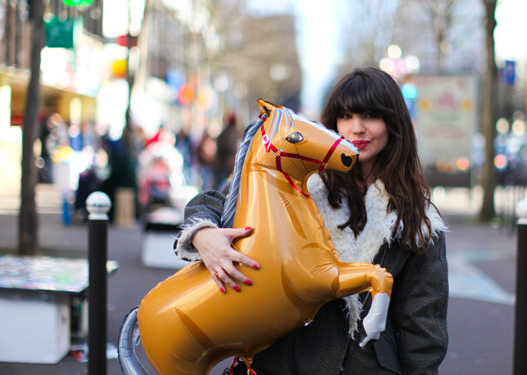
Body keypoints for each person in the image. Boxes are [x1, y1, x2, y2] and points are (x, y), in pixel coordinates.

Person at [174, 66, 449, 374]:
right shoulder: (300, 182)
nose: (356, 128)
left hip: (365, 365)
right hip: (283, 360)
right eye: (345, 116)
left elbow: (422, 326)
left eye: (370, 115)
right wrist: (204, 234)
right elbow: (214, 201)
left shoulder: (417, 219)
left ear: (393, 123)